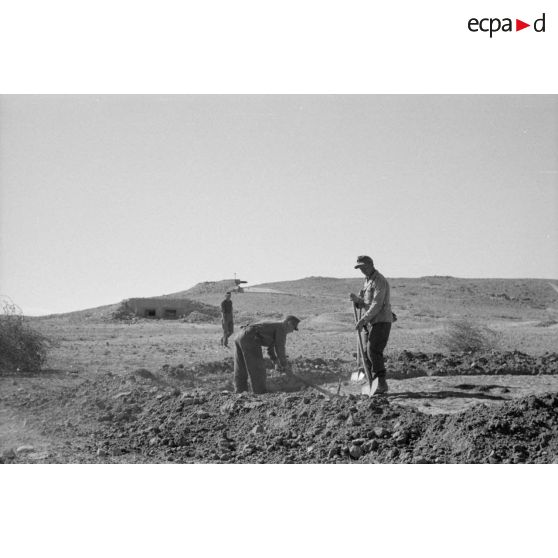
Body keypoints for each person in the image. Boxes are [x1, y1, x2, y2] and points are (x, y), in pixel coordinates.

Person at [349, 255, 393, 394]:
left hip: (380, 321)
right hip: (369, 322)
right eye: (359, 268)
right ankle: (372, 384)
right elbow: (365, 303)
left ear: (370, 265)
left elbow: (376, 304)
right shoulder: (367, 281)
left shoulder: (379, 280)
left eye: (363, 267)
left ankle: (381, 384)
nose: (361, 270)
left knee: (373, 351)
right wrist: (358, 300)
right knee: (365, 354)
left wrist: (363, 320)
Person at [233, 315, 300, 394]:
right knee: (258, 368)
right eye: (293, 328)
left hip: (240, 335)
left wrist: (275, 361)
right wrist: (284, 365)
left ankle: (240, 392)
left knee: (241, 367)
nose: (292, 331)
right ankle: (260, 394)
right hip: (250, 337)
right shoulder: (281, 328)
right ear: (288, 323)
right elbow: (280, 348)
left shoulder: (274, 326)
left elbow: (271, 348)